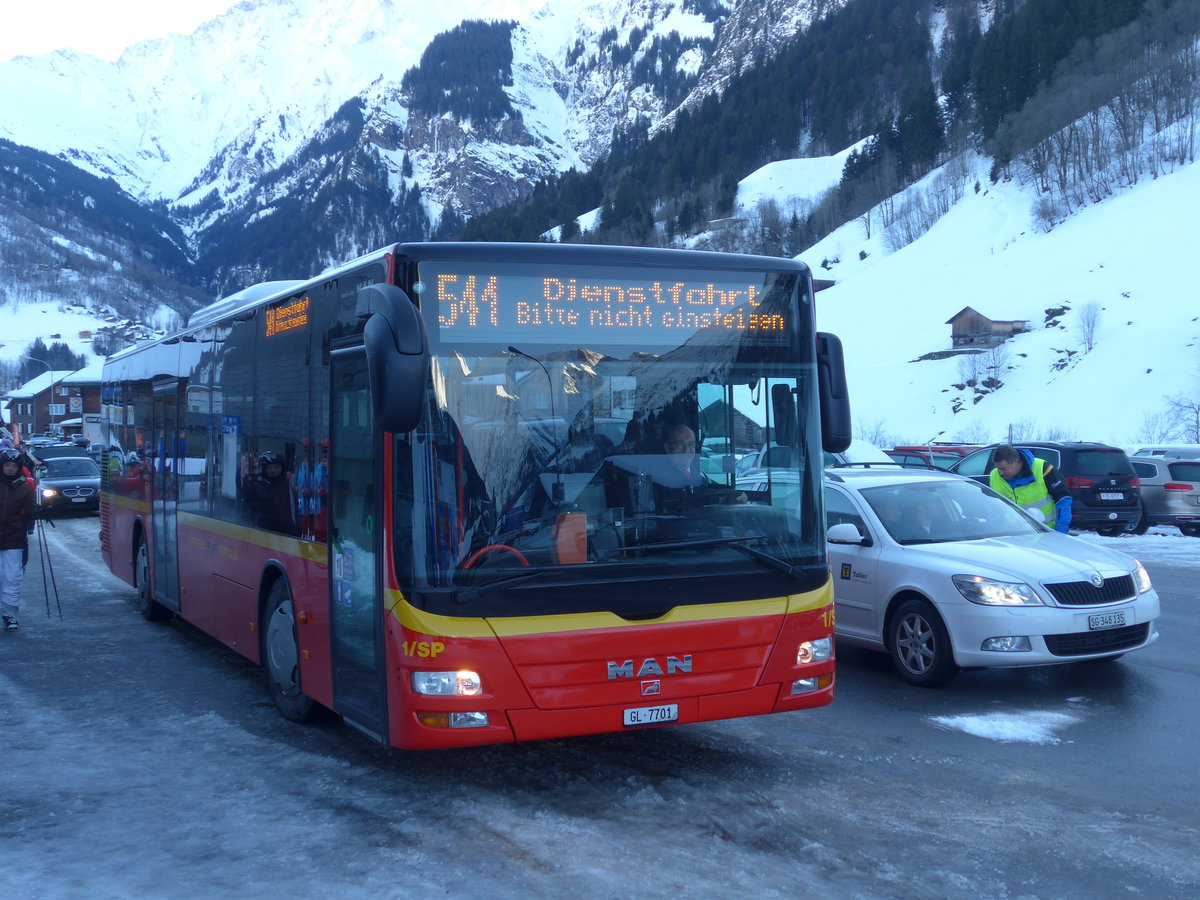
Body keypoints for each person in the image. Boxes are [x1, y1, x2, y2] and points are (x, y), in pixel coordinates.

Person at [653, 424, 745, 512]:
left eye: (691, 444)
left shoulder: (700, 480)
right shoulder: (658, 480)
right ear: (668, 448)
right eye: (680, 445)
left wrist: (736, 496)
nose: (686, 450)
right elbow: (678, 506)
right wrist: (720, 500)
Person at [989, 444, 1072, 533]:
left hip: (1045, 534)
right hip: (1010, 536)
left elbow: (1063, 501)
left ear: (1016, 462)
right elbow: (994, 508)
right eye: (998, 468)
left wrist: (1061, 533)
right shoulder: (994, 476)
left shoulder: (1043, 469)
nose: (1000, 473)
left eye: (1003, 468)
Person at [1, 448, 37, 632]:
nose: (9, 469)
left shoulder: (24, 488)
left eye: (13, 466)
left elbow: (30, 512)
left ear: (19, 468)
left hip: (14, 538)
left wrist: (39, 510)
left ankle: (10, 615)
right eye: (6, 465)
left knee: (11, 578)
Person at [249, 450, 299, 535]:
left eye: (276, 467)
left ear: (282, 468)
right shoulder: (260, 485)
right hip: (264, 530)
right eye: (269, 468)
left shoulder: (287, 485)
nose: (273, 470)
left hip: (286, 531)